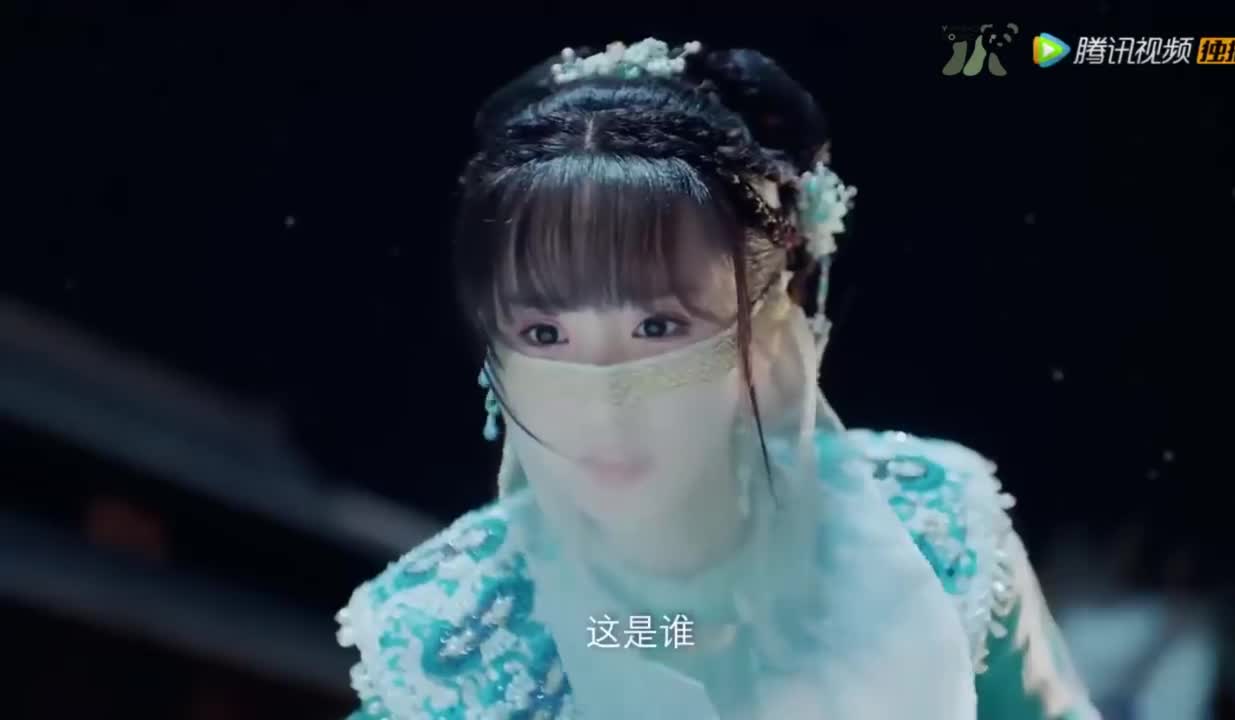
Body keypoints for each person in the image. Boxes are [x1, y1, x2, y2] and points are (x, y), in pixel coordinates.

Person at [335, 38, 1099, 719]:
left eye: (657, 328)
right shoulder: (454, 648)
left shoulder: (931, 529)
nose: (601, 401)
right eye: (544, 334)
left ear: (773, 320)